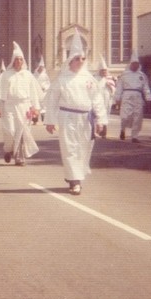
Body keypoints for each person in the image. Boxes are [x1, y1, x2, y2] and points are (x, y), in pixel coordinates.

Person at [43, 31, 107, 195]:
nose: (80, 61)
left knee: (83, 148)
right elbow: (52, 100)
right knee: (70, 147)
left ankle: (74, 174)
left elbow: (97, 100)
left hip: (85, 118)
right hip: (68, 117)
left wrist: (100, 120)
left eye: (82, 59)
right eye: (77, 58)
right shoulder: (62, 79)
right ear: (70, 61)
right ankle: (74, 181)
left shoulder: (89, 79)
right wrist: (50, 120)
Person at [0, 42, 43, 165]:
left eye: (21, 59)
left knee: (22, 132)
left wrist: (36, 108)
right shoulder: (6, 75)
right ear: (13, 61)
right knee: (10, 130)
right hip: (9, 106)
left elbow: (33, 93)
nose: (19, 61)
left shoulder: (28, 75)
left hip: (24, 106)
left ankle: (19, 157)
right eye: (17, 59)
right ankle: (8, 150)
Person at [114, 51, 151, 143]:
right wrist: (117, 99)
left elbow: (146, 87)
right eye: (133, 64)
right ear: (130, 64)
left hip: (138, 96)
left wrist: (148, 98)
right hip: (127, 96)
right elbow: (119, 87)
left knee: (137, 116)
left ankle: (134, 136)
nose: (135, 65)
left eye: (137, 64)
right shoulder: (124, 75)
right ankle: (122, 129)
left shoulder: (142, 76)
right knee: (125, 116)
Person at [94, 55, 116, 138]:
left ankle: (103, 133)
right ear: (99, 71)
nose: (104, 72)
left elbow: (113, 89)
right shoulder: (95, 78)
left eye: (105, 70)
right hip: (97, 99)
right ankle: (96, 131)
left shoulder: (109, 79)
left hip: (106, 100)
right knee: (97, 114)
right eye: (102, 70)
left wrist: (109, 86)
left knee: (105, 114)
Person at [32, 56, 50, 124]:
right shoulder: (34, 75)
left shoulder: (45, 75)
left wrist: (44, 87)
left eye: (42, 67)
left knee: (43, 105)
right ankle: (35, 119)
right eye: (40, 67)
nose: (41, 68)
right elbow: (32, 83)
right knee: (35, 105)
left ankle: (44, 119)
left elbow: (48, 83)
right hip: (36, 92)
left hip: (43, 92)